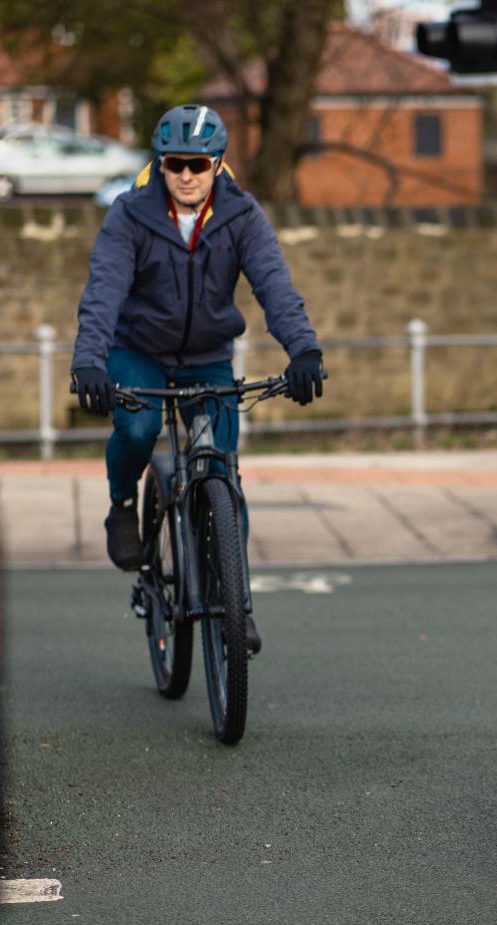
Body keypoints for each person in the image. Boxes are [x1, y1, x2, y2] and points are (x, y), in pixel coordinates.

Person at [70, 103, 326, 656]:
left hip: (209, 357)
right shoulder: (130, 215)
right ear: (160, 165)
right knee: (137, 431)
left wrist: (303, 350)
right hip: (138, 352)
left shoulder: (243, 216)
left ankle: (235, 602)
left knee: (221, 472)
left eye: (199, 164)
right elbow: (103, 293)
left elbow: (275, 288)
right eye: (175, 164)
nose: (187, 175)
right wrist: (89, 361)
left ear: (218, 165)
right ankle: (121, 504)